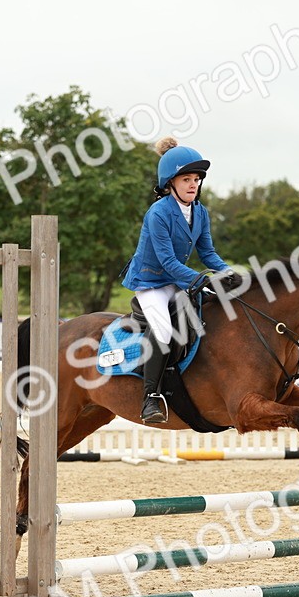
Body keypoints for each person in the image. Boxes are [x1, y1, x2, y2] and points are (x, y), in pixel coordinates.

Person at [121, 136, 240, 424]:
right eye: (186, 179)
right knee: (162, 329)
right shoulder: (158, 213)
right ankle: (150, 397)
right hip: (150, 283)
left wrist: (228, 273)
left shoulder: (200, 212)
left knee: (209, 315)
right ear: (169, 183)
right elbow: (168, 262)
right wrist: (199, 279)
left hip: (175, 281)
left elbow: (208, 253)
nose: (193, 185)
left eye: (197, 179)